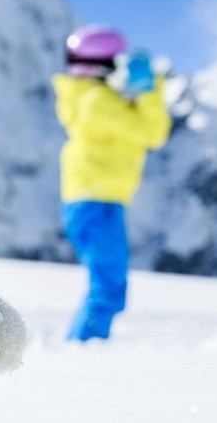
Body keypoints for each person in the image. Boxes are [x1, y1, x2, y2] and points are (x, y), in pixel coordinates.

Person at [53, 24, 171, 341]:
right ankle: (83, 351)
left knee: (107, 284)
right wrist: (149, 88)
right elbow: (153, 133)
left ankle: (84, 347)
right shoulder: (98, 102)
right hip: (97, 202)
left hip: (95, 200)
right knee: (108, 287)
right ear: (103, 66)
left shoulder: (91, 98)